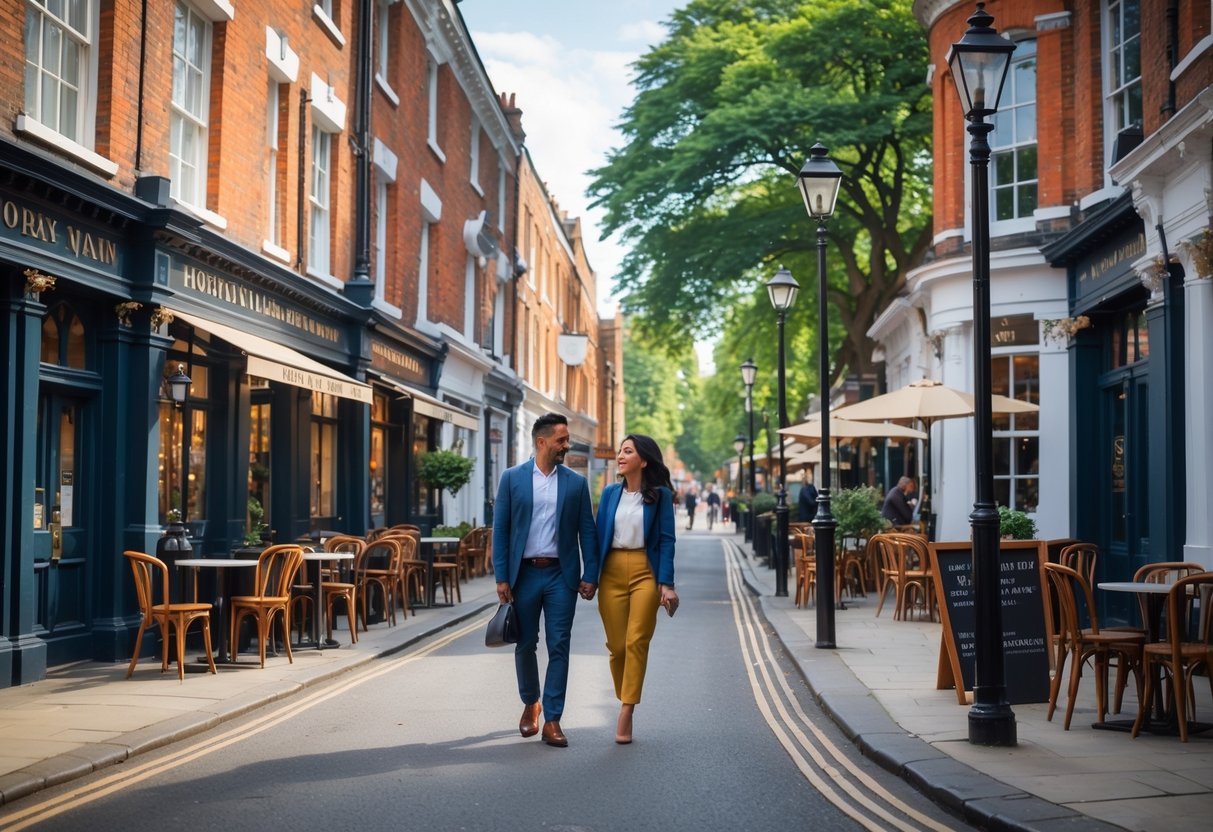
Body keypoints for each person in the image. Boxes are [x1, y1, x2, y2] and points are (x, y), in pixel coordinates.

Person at [492, 413, 598, 748]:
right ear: (542, 442)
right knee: (525, 643)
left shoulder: (576, 483)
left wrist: (590, 574)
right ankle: (530, 703)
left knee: (559, 645)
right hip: (523, 575)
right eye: (561, 441)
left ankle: (553, 719)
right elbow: (502, 530)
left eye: (567, 441)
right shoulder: (512, 479)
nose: (566, 446)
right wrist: (501, 576)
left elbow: (588, 533)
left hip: (560, 575)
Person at [587, 434, 678, 744]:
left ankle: (627, 708)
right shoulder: (610, 493)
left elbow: (666, 540)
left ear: (644, 460)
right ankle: (625, 693)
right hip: (610, 572)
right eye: (620, 451)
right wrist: (590, 576)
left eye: (628, 451)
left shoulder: (660, 496)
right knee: (616, 646)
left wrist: (666, 584)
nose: (620, 456)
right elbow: (596, 538)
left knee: (636, 640)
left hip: (645, 573)